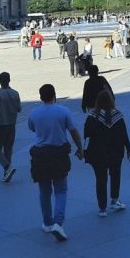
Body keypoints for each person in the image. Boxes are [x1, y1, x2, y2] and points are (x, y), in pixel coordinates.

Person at [28, 83, 84, 242]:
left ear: (40, 97)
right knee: (61, 190)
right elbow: (73, 131)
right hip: (59, 154)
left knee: (44, 191)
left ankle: (47, 222)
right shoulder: (63, 111)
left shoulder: (33, 113)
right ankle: (58, 223)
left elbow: (32, 128)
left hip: (40, 156)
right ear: (54, 95)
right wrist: (80, 148)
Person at [83, 89, 130, 216]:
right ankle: (115, 200)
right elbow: (124, 134)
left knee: (100, 179)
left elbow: (86, 136)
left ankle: (102, 209)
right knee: (115, 175)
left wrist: (84, 152)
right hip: (115, 152)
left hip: (97, 154)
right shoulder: (118, 116)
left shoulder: (92, 117)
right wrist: (128, 148)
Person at [0, 71, 21, 182]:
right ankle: (7, 173)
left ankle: (7, 167)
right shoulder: (15, 93)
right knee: (8, 148)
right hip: (12, 124)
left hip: (0, 125)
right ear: (9, 80)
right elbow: (19, 109)